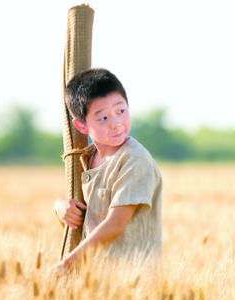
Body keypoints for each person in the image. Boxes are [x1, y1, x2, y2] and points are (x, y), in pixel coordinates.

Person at [51, 68, 162, 273]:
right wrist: (60, 207)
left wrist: (67, 265)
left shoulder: (135, 161)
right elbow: (87, 223)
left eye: (121, 111)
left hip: (133, 279)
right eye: (103, 118)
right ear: (82, 126)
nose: (116, 124)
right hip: (97, 278)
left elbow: (115, 224)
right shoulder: (85, 157)